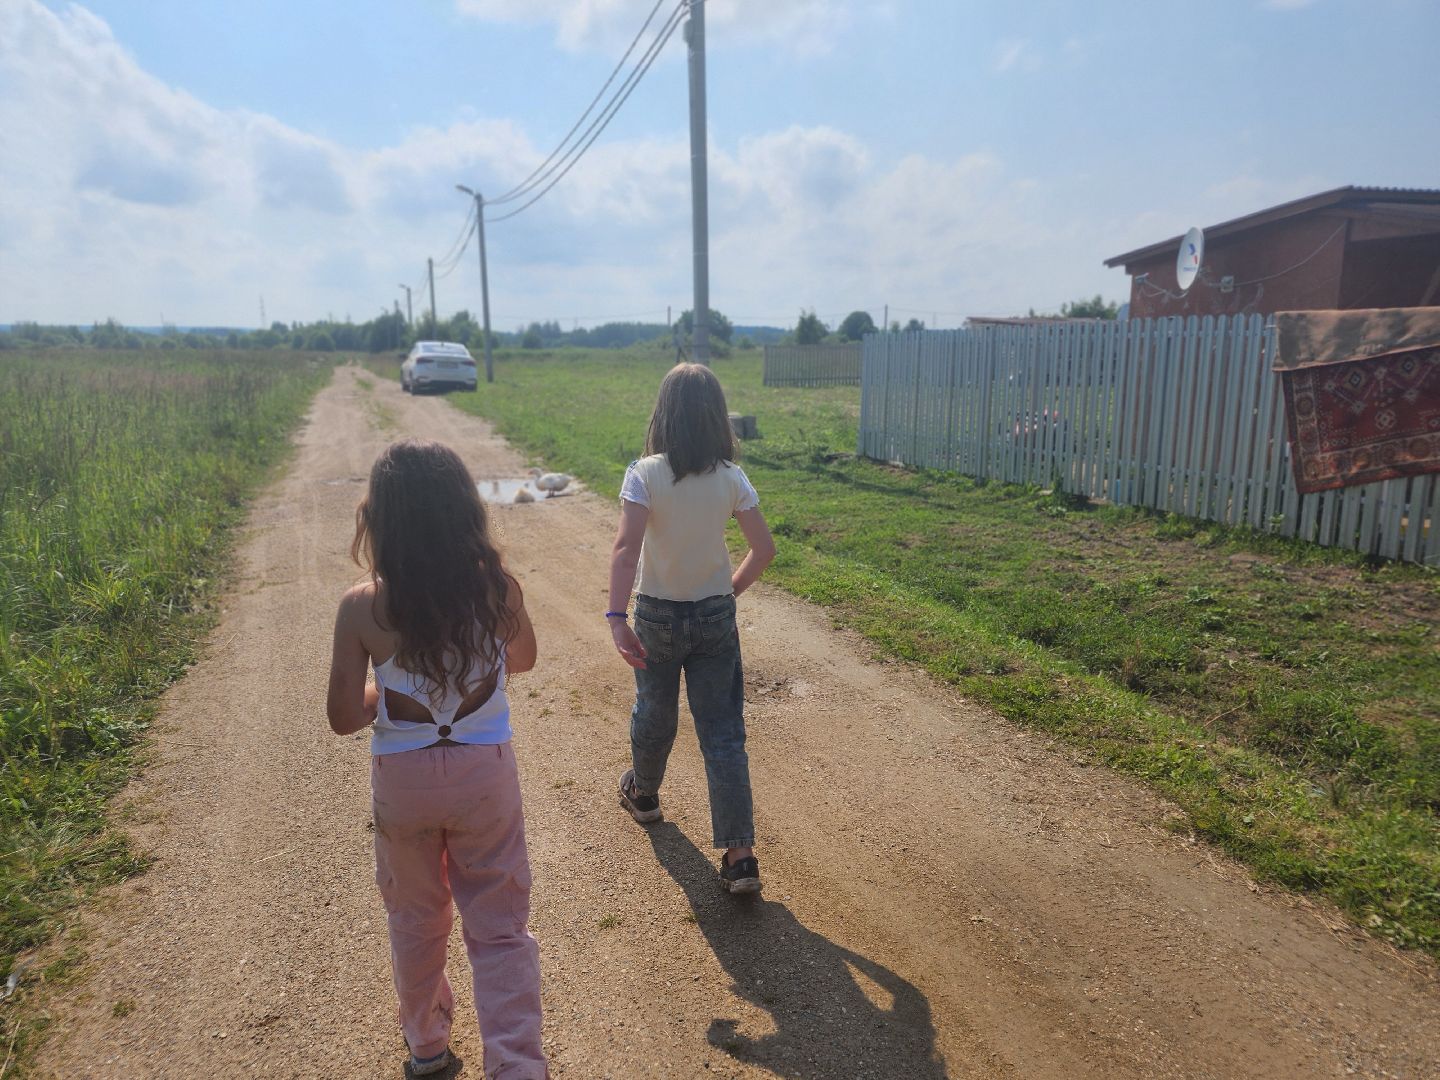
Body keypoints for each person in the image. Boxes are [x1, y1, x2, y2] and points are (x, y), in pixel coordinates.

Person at [326, 438, 547, 1080]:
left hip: (405, 785)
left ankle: (426, 1047)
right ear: (464, 511)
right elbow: (525, 658)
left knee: (416, 918)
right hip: (485, 776)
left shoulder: (361, 605)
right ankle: (516, 1066)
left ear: (381, 520)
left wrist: (386, 688)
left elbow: (344, 717)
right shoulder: (496, 588)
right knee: (500, 927)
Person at [606, 363, 776, 893]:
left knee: (654, 710)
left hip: (656, 613)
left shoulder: (644, 473)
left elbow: (626, 548)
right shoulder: (732, 477)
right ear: (716, 418)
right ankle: (740, 855)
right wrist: (729, 593)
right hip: (713, 616)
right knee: (722, 733)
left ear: (664, 414)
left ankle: (646, 795)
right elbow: (764, 550)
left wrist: (616, 617)